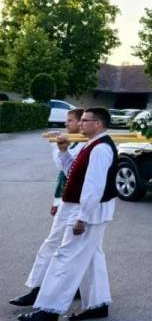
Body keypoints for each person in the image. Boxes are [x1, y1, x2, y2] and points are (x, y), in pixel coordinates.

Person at [20, 108, 117, 321]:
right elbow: (73, 172)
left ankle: (49, 310)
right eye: (80, 120)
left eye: (85, 120)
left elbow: (94, 187)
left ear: (98, 124)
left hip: (89, 213)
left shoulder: (101, 149)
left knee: (65, 258)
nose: (80, 124)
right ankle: (97, 305)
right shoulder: (91, 145)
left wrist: (82, 217)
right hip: (84, 209)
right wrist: (63, 151)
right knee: (91, 260)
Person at [10, 109, 86, 309]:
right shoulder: (72, 142)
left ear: (81, 123)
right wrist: (56, 200)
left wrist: (63, 148)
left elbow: (73, 171)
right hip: (67, 200)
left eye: (70, 121)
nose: (66, 125)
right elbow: (62, 172)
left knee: (75, 250)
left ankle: (56, 292)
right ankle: (37, 288)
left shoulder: (86, 145)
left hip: (81, 204)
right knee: (55, 243)